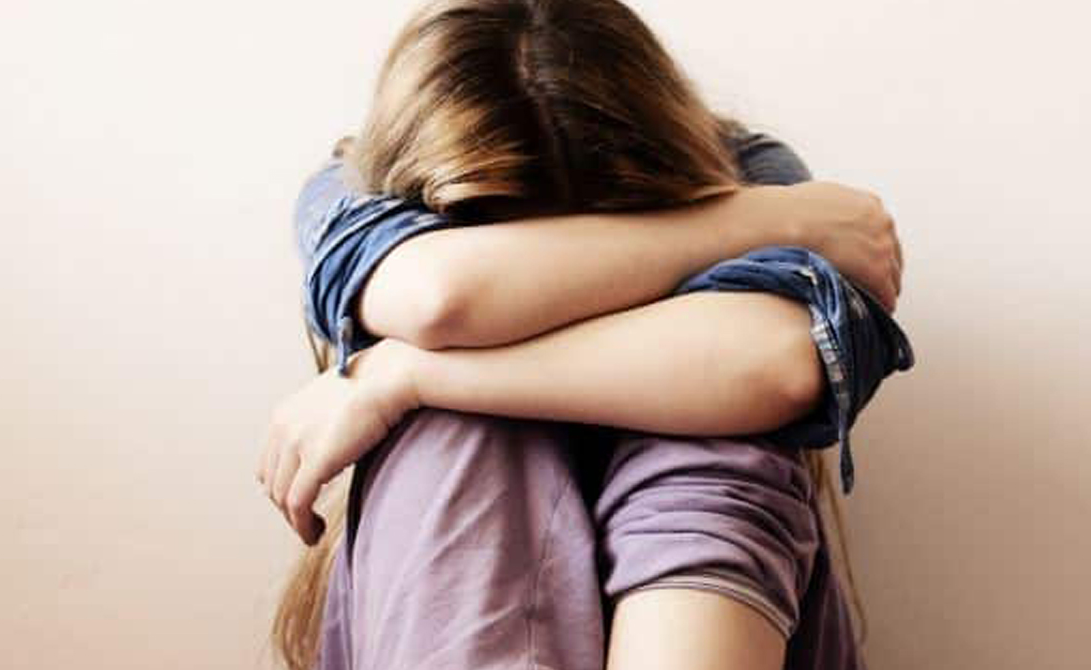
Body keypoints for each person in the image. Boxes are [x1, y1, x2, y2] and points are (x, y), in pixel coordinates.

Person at [255, 1, 914, 668]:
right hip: (450, 494)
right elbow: (439, 300)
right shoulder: (354, 187)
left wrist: (409, 375)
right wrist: (767, 219)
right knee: (456, 434)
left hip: (702, 500)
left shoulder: (741, 164)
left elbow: (772, 364)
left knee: (713, 445)